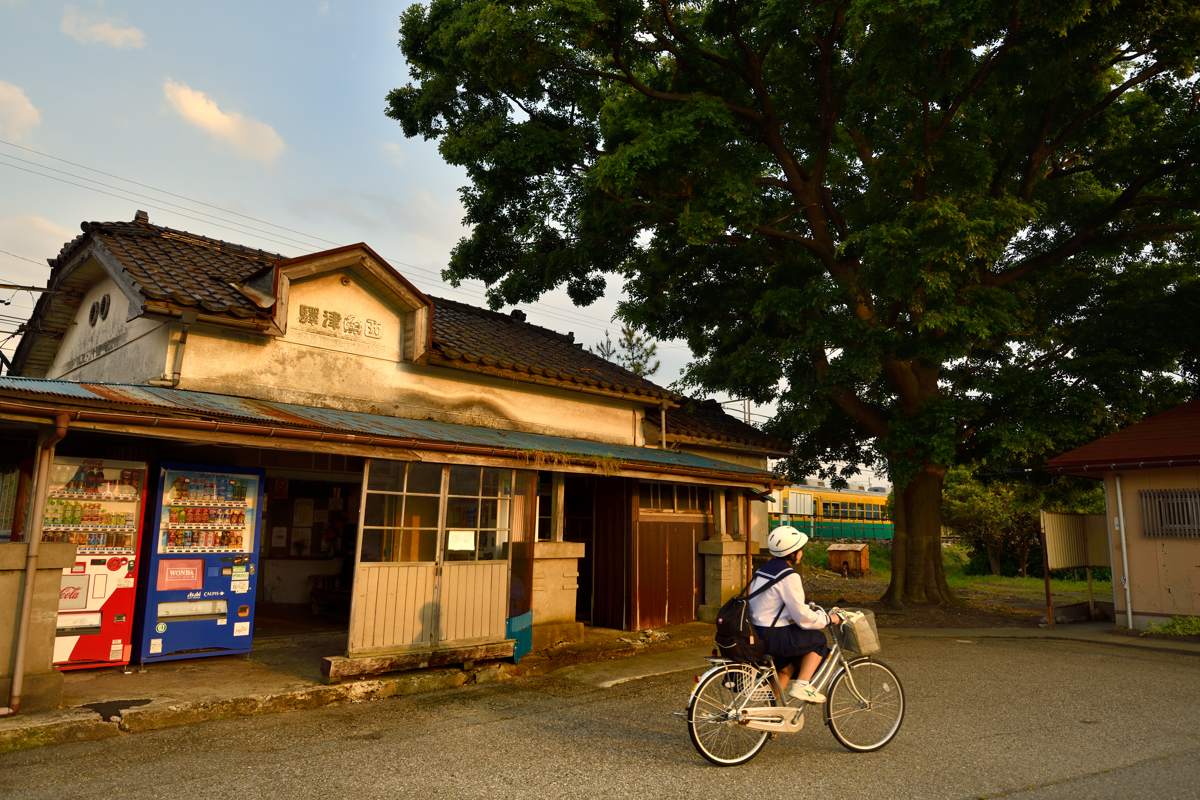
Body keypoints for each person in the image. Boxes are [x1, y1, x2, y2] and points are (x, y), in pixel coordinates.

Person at [749, 525, 841, 704]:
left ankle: (769, 714)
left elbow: (769, 605)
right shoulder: (789, 576)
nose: (802, 553)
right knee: (817, 640)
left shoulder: (762, 570)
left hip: (757, 632)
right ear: (793, 553)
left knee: (787, 668)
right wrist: (829, 619)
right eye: (800, 549)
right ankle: (802, 685)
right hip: (773, 636)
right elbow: (803, 617)